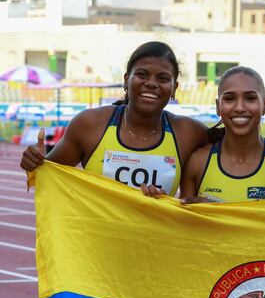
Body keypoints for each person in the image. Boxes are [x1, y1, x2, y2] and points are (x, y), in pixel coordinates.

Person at [19, 41, 208, 197]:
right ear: (126, 80)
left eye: (163, 78)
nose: (151, 83)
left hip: (155, 241)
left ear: (174, 88)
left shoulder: (190, 133)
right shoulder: (90, 124)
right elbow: (48, 175)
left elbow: (231, 159)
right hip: (95, 242)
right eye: (142, 75)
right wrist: (34, 162)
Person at [141, 66, 265, 203]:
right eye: (230, 99)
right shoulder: (198, 162)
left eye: (250, 98)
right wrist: (160, 202)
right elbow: (184, 221)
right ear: (218, 106)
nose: (240, 108)